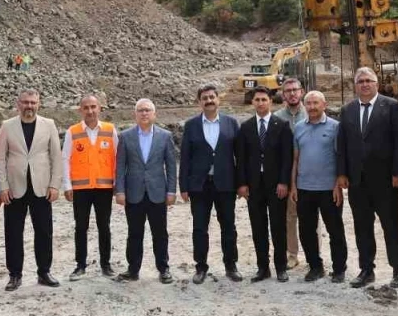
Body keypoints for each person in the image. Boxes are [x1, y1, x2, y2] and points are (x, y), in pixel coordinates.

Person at [335, 67, 398, 288]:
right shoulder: (347, 110)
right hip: (357, 181)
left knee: (391, 226)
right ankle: (366, 269)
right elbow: (342, 145)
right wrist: (342, 173)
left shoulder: (392, 106)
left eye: (369, 80)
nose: (365, 84)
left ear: (376, 84)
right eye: (361, 81)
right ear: (355, 85)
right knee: (362, 227)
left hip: (386, 180)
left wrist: (397, 173)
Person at [0, 88, 63, 290]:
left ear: (38, 104)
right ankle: (15, 275)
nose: (29, 106)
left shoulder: (49, 124)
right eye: (25, 102)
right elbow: (0, 158)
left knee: (44, 231)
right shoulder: (7, 126)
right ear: (18, 104)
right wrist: (2, 186)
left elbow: (56, 157)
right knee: (13, 233)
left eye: (33, 103)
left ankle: (44, 272)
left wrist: (55, 185)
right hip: (14, 188)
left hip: (41, 187)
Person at [179, 83, 243, 284]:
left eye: (211, 97)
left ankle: (231, 266)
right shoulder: (191, 125)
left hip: (226, 184)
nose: (209, 101)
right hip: (200, 185)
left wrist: (241, 183)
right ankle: (200, 267)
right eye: (204, 98)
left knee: (229, 227)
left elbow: (239, 156)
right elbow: (185, 157)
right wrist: (184, 187)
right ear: (199, 102)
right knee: (199, 228)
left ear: (218, 99)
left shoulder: (231, 123)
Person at [115, 98, 177, 284]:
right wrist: (119, 191)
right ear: (135, 114)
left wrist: (172, 191)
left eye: (147, 110)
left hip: (157, 193)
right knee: (134, 233)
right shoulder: (125, 136)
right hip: (133, 193)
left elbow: (171, 166)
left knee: (160, 233)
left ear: (154, 114)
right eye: (140, 110)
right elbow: (120, 166)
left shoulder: (165, 136)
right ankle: (133, 270)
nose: (144, 113)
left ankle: (163, 269)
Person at [236, 86, 294, 282]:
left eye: (264, 99)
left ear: (270, 101)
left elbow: (287, 157)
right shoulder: (246, 127)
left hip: (276, 185)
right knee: (258, 227)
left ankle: (281, 267)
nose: (260, 103)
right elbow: (241, 158)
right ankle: (263, 268)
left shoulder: (282, 125)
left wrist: (284, 182)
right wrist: (242, 184)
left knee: (278, 226)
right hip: (254, 186)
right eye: (257, 100)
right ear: (252, 102)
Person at [292, 91, 348, 283]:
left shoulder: (335, 127)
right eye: (308, 103)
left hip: (328, 189)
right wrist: (293, 186)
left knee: (335, 230)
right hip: (304, 188)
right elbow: (295, 159)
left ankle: (339, 268)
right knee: (306, 231)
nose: (312, 107)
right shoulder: (299, 127)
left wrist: (337, 185)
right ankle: (315, 267)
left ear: (324, 105)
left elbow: (340, 157)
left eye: (316, 103)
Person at [64, 94, 118, 279]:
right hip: (81, 189)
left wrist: (117, 184)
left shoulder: (110, 130)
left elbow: (117, 158)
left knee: (104, 226)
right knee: (81, 227)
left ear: (100, 108)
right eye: (86, 107)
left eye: (93, 107)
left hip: (104, 188)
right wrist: (67, 185)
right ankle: (80, 265)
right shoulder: (73, 131)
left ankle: (106, 264)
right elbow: (65, 159)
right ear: (80, 110)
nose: (90, 111)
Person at [274, 78, 308, 269]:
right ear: (283, 94)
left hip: (310, 173)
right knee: (290, 217)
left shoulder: (311, 111)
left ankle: (314, 255)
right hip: (287, 175)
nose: (292, 93)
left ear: (301, 91)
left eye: (295, 90)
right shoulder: (277, 118)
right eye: (288, 91)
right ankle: (292, 254)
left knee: (311, 217)